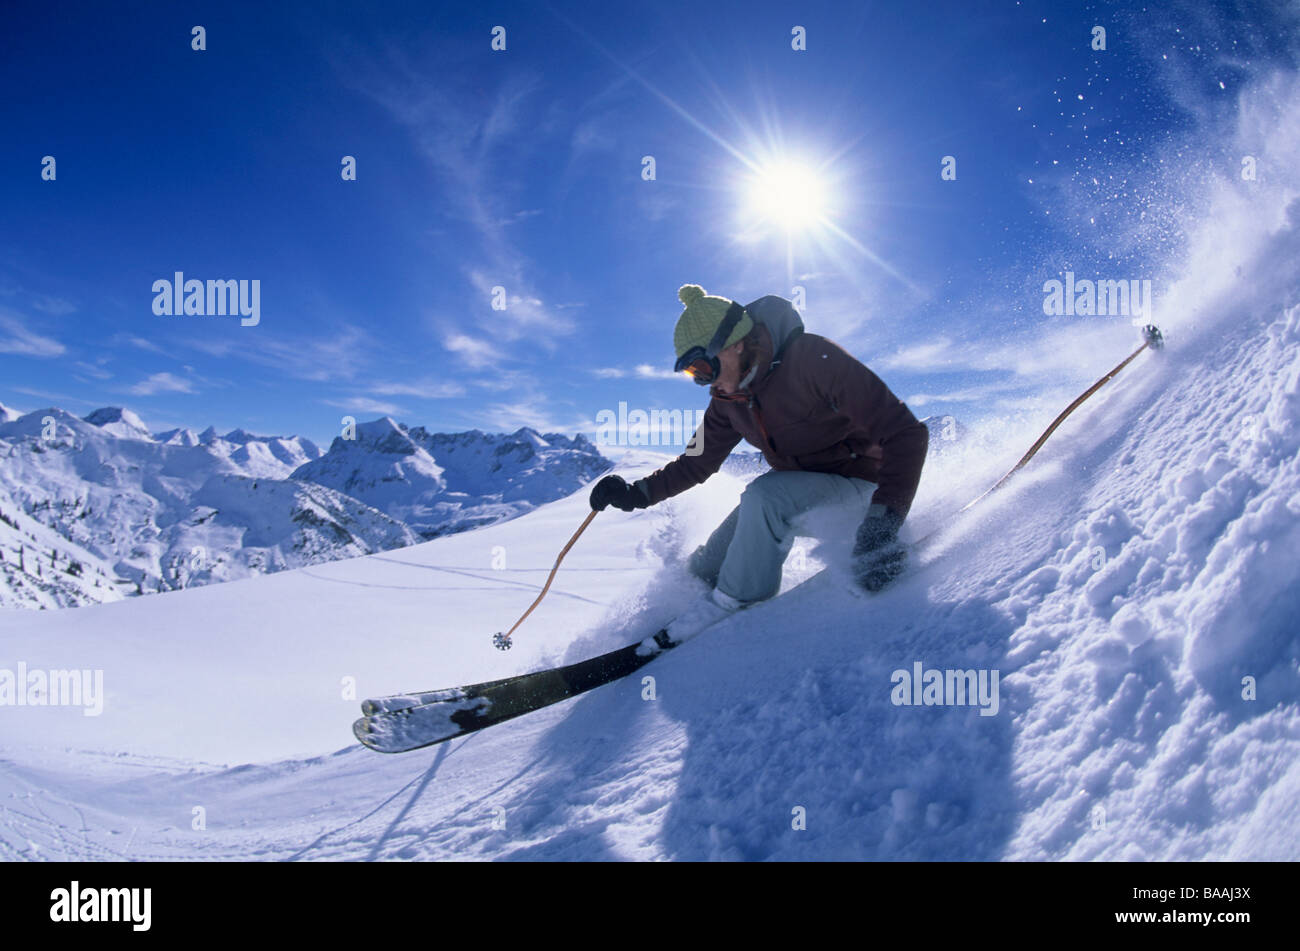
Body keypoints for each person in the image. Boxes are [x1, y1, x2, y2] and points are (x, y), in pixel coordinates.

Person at [590, 284, 928, 641]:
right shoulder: (728, 399)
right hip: (798, 494)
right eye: (693, 374)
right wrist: (635, 493)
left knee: (764, 497)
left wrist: (883, 524)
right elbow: (696, 462)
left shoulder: (813, 360)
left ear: (735, 343)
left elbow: (906, 434)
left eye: (702, 366)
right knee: (705, 568)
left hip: (866, 490)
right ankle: (695, 602)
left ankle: (734, 609)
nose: (704, 381)